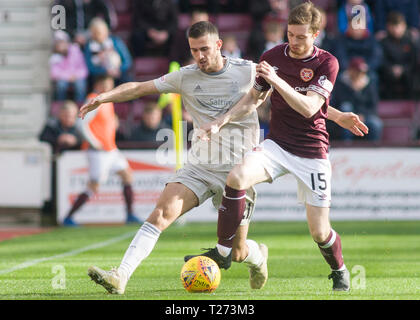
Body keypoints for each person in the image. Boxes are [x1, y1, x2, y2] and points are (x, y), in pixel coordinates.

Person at [79, 21, 368, 294]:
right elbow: (140, 87)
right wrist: (104, 96)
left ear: (219, 45)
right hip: (200, 167)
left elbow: (292, 98)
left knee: (238, 252)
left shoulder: (247, 71)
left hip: (239, 171)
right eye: (194, 50)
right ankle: (121, 276)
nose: (200, 56)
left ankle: (257, 255)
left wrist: (339, 115)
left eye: (205, 49)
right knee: (160, 214)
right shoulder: (185, 76)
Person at [187, 2, 369, 292]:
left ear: (315, 35)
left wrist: (277, 80)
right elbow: (255, 98)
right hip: (278, 145)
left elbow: (309, 107)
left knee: (320, 232)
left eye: (301, 37)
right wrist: (221, 121)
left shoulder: (327, 62)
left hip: (312, 152)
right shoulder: (272, 56)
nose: (293, 42)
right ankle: (222, 253)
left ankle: (340, 270)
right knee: (236, 178)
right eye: (290, 34)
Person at [63, 75, 142, 226]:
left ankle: (130, 214)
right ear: (98, 84)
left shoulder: (106, 100)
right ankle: (68, 217)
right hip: (98, 152)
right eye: (106, 84)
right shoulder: (94, 99)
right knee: (94, 186)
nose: (108, 87)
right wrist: (93, 142)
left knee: (127, 175)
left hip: (111, 150)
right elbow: (81, 123)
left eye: (110, 84)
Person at [39, 100, 84, 224]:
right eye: (65, 115)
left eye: (70, 115)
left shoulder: (80, 128)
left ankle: (68, 216)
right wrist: (58, 139)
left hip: (74, 171)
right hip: (52, 168)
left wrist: (75, 141)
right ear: (60, 114)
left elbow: (85, 141)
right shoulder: (51, 125)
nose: (68, 118)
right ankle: (50, 217)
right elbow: (42, 138)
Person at [331, 57, 382, 141]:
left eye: (361, 72)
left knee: (376, 124)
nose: (359, 74)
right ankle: (346, 146)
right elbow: (337, 103)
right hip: (345, 116)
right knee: (345, 107)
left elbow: (373, 105)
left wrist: (363, 115)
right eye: (357, 71)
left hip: (365, 115)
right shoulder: (341, 83)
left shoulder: (369, 84)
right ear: (350, 70)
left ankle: (373, 148)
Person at [378, 12, 418, 100]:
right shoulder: (383, 42)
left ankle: (412, 105)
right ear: (388, 27)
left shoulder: (411, 41)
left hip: (408, 72)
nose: (396, 30)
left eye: (398, 26)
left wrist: (403, 69)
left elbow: (413, 61)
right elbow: (381, 60)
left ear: (404, 26)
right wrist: (391, 68)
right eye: (393, 26)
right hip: (388, 72)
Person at [84, 18, 133, 85]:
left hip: (118, 73)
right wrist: (105, 71)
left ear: (106, 31)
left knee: (127, 80)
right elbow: (90, 67)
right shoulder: (89, 46)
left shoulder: (116, 42)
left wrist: (118, 70)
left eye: (99, 32)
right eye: (94, 32)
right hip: (99, 76)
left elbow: (127, 61)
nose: (97, 35)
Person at [50, 30, 88, 103]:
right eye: (57, 43)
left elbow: (83, 68)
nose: (60, 45)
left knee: (80, 85)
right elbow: (54, 73)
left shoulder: (76, 50)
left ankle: (80, 106)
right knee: (61, 85)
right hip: (63, 78)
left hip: (76, 76)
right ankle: (60, 106)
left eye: (62, 42)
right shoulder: (54, 57)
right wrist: (68, 77)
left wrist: (75, 76)